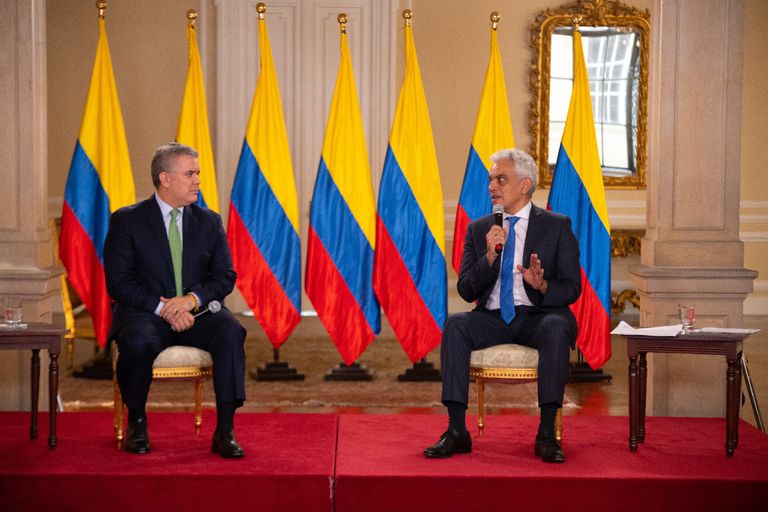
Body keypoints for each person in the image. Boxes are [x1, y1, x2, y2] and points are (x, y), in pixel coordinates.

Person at [423, 148, 581, 463]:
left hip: (538, 317)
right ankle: (456, 430)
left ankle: (546, 433)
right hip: (493, 318)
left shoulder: (557, 226)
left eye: (501, 179)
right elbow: (466, 289)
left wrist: (542, 285)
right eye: (491, 180)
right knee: (455, 324)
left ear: (525, 185)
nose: (492, 186)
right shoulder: (478, 229)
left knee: (556, 326)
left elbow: (572, 287)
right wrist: (489, 257)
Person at [104, 142, 247, 458]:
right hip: (145, 313)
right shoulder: (127, 221)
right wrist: (164, 308)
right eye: (190, 174)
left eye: (197, 173)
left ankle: (225, 430)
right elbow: (119, 283)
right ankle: (137, 422)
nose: (198, 180)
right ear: (165, 178)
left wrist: (190, 300)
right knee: (138, 342)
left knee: (230, 331)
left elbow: (225, 277)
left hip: (198, 312)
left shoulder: (209, 221)